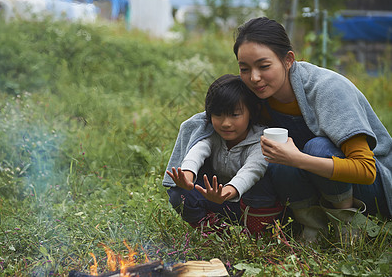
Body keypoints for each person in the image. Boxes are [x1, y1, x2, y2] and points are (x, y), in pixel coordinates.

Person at [164, 16, 392, 242]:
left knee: (317, 147)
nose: (254, 78)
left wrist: (297, 159)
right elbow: (214, 118)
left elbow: (366, 170)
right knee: (276, 159)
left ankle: (349, 226)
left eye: (264, 66)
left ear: (288, 60)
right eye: (244, 68)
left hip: (370, 191)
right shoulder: (256, 97)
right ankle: (311, 227)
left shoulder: (327, 90)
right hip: (312, 183)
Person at [164, 74, 279, 230]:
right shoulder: (211, 134)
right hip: (219, 198)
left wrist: (226, 192)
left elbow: (252, 171)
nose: (226, 123)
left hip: (252, 205)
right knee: (179, 195)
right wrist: (187, 175)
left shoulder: (261, 139)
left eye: (234, 115)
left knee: (262, 185)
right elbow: (197, 151)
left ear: (251, 112)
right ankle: (214, 230)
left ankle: (256, 232)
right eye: (218, 115)